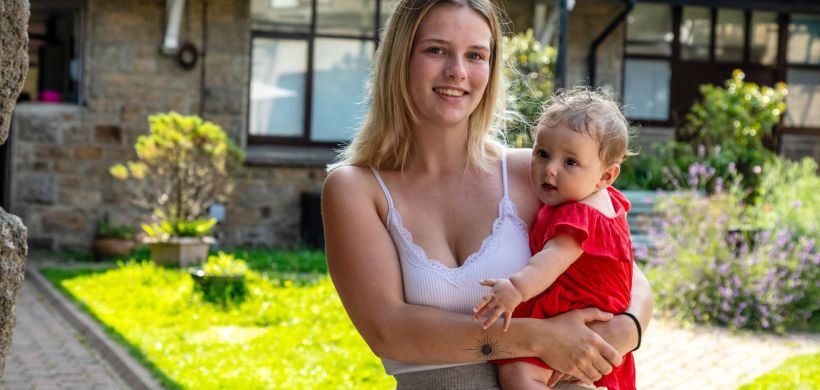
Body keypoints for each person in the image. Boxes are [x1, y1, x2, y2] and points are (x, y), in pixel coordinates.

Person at [322, 0, 653, 388]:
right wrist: (539, 338)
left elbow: (626, 271)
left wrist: (620, 335)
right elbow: (388, 330)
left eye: (475, 55)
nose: (457, 71)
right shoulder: (356, 190)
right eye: (436, 50)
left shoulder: (534, 172)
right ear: (400, 58)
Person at [473, 88, 637, 389]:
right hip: (592, 320)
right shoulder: (607, 202)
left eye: (570, 162)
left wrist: (516, 288)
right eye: (543, 153)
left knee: (518, 373)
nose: (550, 169)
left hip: (573, 311)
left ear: (605, 177)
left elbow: (551, 259)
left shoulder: (579, 216)